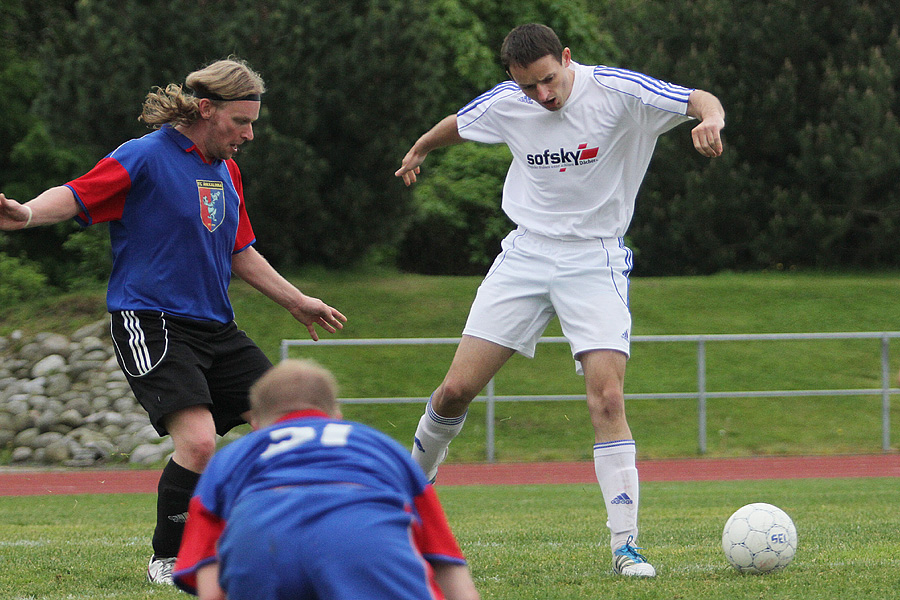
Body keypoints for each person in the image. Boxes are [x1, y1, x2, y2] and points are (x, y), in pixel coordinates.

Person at [395, 23, 725, 578]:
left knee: (607, 398)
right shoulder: (508, 102)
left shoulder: (619, 92)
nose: (543, 96)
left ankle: (626, 547)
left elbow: (696, 98)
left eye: (549, 80)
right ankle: (404, 502)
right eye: (529, 87)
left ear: (567, 58)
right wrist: (419, 148)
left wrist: (711, 118)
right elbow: (461, 123)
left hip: (594, 259)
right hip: (524, 256)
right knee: (453, 391)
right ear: (513, 79)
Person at [0, 57, 347, 585]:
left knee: (285, 423)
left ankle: (281, 543)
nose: (249, 135)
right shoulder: (144, 156)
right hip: (152, 321)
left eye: (254, 122)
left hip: (217, 327)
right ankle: (169, 558)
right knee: (200, 443)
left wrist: (296, 300)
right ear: (206, 110)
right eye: (241, 122)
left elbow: (239, 249)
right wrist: (25, 213)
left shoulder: (226, 168)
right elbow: (75, 194)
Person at [172, 359, 480, 600]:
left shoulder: (233, 456)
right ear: (336, 412)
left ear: (260, 421)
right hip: (361, 535)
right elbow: (444, 559)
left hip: (263, 538)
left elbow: (211, 586)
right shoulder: (378, 444)